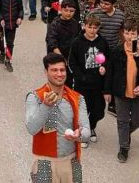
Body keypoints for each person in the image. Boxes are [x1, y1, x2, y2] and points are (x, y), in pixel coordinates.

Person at [25, 53, 90, 183]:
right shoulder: (35, 97)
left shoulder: (77, 98)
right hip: (44, 162)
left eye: (62, 70)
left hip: (72, 161)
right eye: (54, 70)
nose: (59, 74)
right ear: (46, 72)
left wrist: (79, 135)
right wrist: (46, 106)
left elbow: (86, 131)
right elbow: (32, 128)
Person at [103, 19, 139, 163]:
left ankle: (125, 133)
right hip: (120, 92)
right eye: (127, 33)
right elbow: (110, 72)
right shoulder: (117, 51)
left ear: (138, 34)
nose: (130, 36)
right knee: (122, 120)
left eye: (133, 33)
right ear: (123, 34)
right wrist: (107, 91)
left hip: (138, 93)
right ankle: (124, 147)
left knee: (137, 119)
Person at [68, 15, 110, 148]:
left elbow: (106, 59)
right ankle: (83, 133)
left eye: (95, 27)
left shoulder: (102, 42)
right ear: (84, 26)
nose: (92, 30)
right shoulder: (77, 42)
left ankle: (91, 127)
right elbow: (72, 63)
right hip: (82, 83)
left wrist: (104, 67)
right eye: (89, 27)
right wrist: (81, 76)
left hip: (98, 83)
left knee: (98, 109)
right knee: (82, 109)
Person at [45, 0, 81, 86]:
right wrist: (62, 58)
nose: (69, 13)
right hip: (57, 57)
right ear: (61, 10)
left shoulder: (75, 24)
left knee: (69, 82)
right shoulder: (55, 24)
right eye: (66, 10)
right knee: (57, 82)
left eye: (71, 11)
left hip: (70, 58)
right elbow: (51, 42)